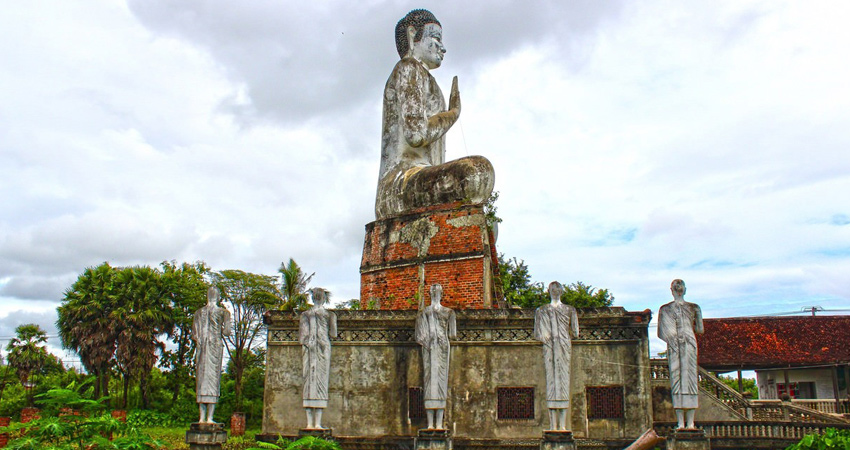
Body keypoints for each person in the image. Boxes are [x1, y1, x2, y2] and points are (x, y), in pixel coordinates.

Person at [376, 9, 495, 219]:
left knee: (480, 190)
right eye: (436, 38)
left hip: (422, 177)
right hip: (399, 184)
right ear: (413, 35)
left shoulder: (428, 81)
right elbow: (416, 135)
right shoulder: (408, 68)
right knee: (477, 172)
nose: (443, 47)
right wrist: (453, 114)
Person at [658, 279, 704, 429]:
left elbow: (662, 332)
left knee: (683, 380)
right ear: (685, 289)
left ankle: (684, 423)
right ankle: (687, 423)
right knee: (681, 380)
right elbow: (700, 329)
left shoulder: (666, 309)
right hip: (679, 345)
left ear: (671, 290)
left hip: (682, 345)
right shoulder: (693, 308)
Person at [533, 282, 580, 431]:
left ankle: (563, 426)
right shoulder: (541, 311)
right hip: (549, 349)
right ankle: (553, 426)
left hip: (564, 348)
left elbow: (575, 332)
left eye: (557, 289)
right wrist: (546, 337)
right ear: (549, 291)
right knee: (551, 384)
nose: (555, 291)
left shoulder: (569, 310)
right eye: (552, 289)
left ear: (561, 291)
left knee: (564, 383)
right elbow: (537, 333)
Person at [415, 284, 457, 429]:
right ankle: (430, 424)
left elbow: (453, 334)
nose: (435, 292)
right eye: (433, 291)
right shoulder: (423, 312)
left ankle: (439, 424)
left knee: (441, 383)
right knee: (429, 383)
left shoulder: (449, 312)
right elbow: (419, 335)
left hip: (442, 348)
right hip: (428, 348)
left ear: (441, 293)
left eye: (437, 290)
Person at [299, 287, 337, 429]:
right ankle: (314, 424)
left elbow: (303, 337)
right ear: (324, 297)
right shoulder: (329, 315)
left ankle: (313, 423)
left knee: (313, 382)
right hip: (317, 348)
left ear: (313, 297)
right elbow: (333, 333)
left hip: (315, 348)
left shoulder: (307, 315)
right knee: (314, 383)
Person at [193, 286, 232, 423]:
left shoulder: (199, 313)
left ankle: (202, 417)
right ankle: (209, 418)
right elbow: (227, 332)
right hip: (214, 346)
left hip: (203, 347)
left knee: (202, 379)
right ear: (218, 296)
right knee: (213, 381)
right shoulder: (223, 313)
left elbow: (195, 335)